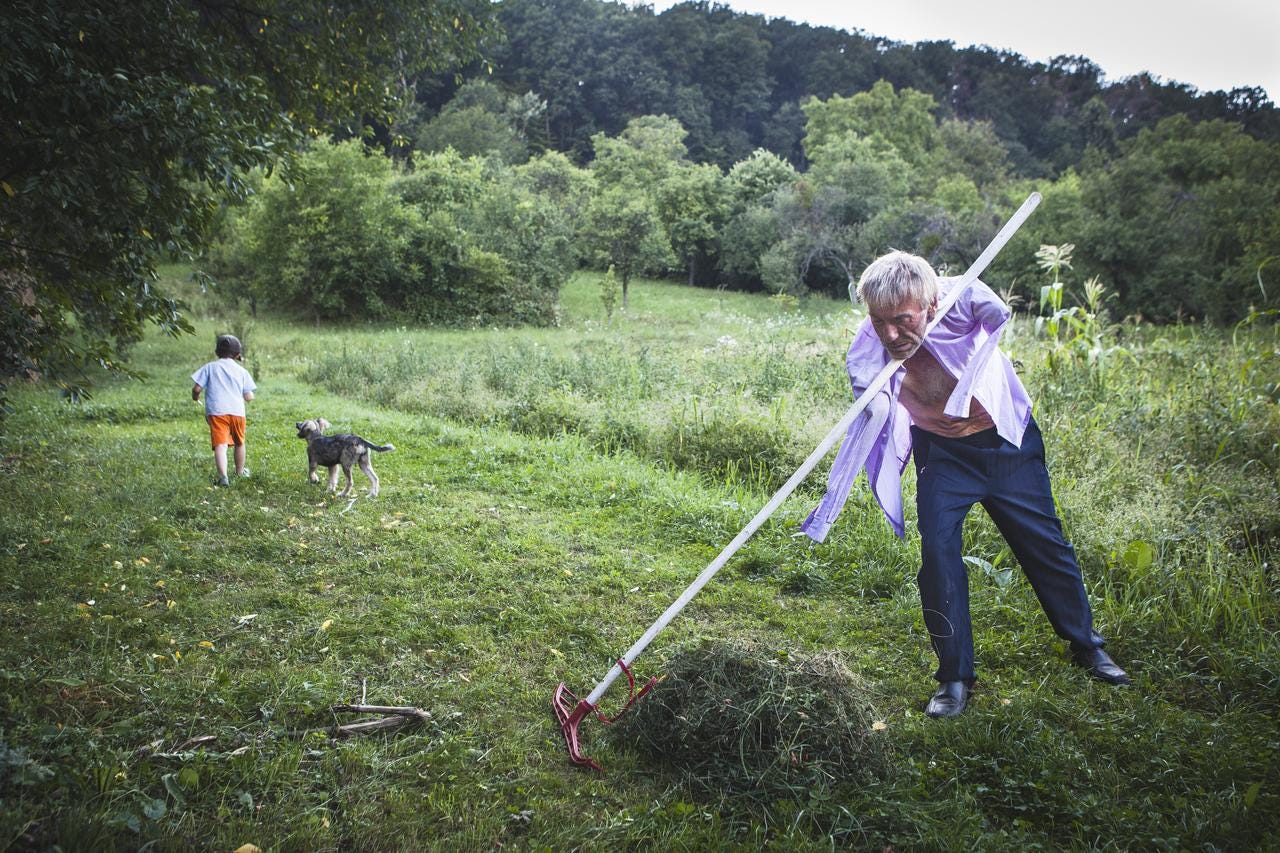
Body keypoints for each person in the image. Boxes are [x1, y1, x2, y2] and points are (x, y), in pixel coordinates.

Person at [802, 251, 1130, 718]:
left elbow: (992, 309)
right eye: (879, 321)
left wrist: (955, 304)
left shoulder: (959, 305)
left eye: (902, 320)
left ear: (931, 303)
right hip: (942, 454)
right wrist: (874, 392)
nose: (891, 333)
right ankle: (955, 678)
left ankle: (1086, 645)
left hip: (1005, 445)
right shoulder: (871, 344)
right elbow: (869, 398)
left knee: (1045, 546)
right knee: (937, 555)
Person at [191, 334, 257, 487]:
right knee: (240, 442)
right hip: (238, 412)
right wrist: (248, 395)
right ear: (237, 354)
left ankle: (223, 477)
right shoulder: (241, 371)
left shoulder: (209, 367)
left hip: (217, 411)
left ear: (217, 352)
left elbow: (196, 388)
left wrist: (195, 397)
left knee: (220, 444)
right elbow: (248, 396)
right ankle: (240, 472)